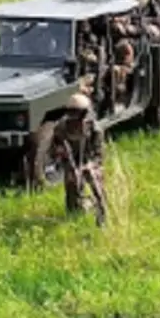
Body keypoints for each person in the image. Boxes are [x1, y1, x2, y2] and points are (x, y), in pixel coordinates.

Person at [52, 93, 107, 226]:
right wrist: (64, 158)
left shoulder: (94, 128)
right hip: (72, 161)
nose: (74, 117)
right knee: (72, 189)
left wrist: (90, 165)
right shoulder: (62, 126)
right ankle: (74, 214)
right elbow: (57, 144)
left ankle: (101, 217)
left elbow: (98, 152)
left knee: (97, 190)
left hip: (90, 162)